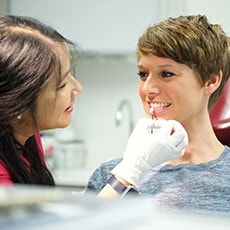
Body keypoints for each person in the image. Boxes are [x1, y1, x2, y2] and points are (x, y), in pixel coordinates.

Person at [0, 15, 188, 192]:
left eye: (167, 74)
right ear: (18, 100)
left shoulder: (26, 139)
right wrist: (131, 171)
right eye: (62, 84)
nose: (78, 88)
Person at [86, 15, 230, 215]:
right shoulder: (111, 175)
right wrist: (127, 175)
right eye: (143, 74)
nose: (148, 89)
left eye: (166, 74)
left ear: (211, 81)